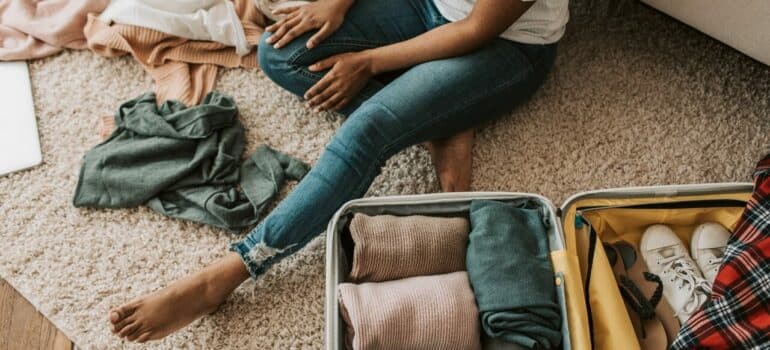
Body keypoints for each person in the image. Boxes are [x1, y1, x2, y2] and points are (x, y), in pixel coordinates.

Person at [107, 0, 568, 342]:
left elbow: (477, 28)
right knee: (279, 52)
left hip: (501, 45)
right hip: (425, 5)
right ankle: (443, 119)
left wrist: (369, 61)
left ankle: (228, 273)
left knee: (368, 129)